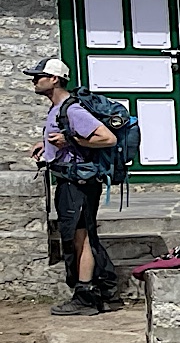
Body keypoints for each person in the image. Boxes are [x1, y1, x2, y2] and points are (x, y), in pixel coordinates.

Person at [27, 56, 118, 316]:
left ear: (54, 79)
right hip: (69, 181)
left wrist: (70, 141)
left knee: (82, 238)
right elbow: (63, 138)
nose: (34, 80)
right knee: (79, 237)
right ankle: (101, 287)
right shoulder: (57, 109)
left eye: (38, 76)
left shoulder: (73, 109)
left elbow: (107, 138)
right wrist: (45, 145)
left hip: (79, 183)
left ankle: (86, 297)